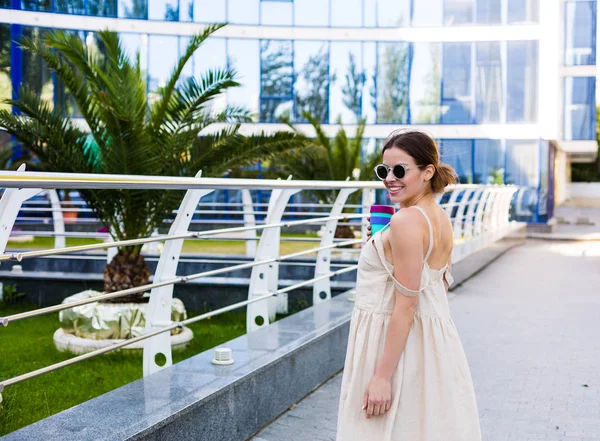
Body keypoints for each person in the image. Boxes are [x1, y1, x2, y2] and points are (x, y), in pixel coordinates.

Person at [336, 130, 482, 441]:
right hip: (430, 342)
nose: (390, 178)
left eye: (399, 170)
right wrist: (380, 245)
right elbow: (434, 286)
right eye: (383, 170)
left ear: (428, 172)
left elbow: (407, 303)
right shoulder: (439, 218)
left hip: (390, 342)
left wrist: (381, 377)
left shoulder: (405, 222)